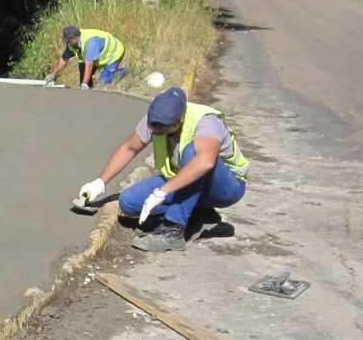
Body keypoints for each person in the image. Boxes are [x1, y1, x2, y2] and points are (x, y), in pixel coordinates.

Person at [77, 86, 249, 252]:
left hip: (227, 186)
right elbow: (130, 148)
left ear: (179, 120)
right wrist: (99, 183)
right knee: (129, 202)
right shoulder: (155, 119)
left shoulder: (206, 121)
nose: (155, 132)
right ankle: (198, 216)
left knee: (193, 153)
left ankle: (173, 230)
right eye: (153, 127)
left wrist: (162, 192)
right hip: (184, 181)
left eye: (162, 129)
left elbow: (205, 163)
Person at [44, 25, 127, 89]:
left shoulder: (90, 43)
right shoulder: (72, 43)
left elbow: (89, 64)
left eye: (68, 41)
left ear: (75, 38)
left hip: (114, 54)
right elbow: (64, 59)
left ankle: (125, 71)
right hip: (99, 57)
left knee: (104, 79)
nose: (67, 43)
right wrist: (53, 74)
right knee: (82, 66)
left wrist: (84, 83)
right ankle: (88, 88)